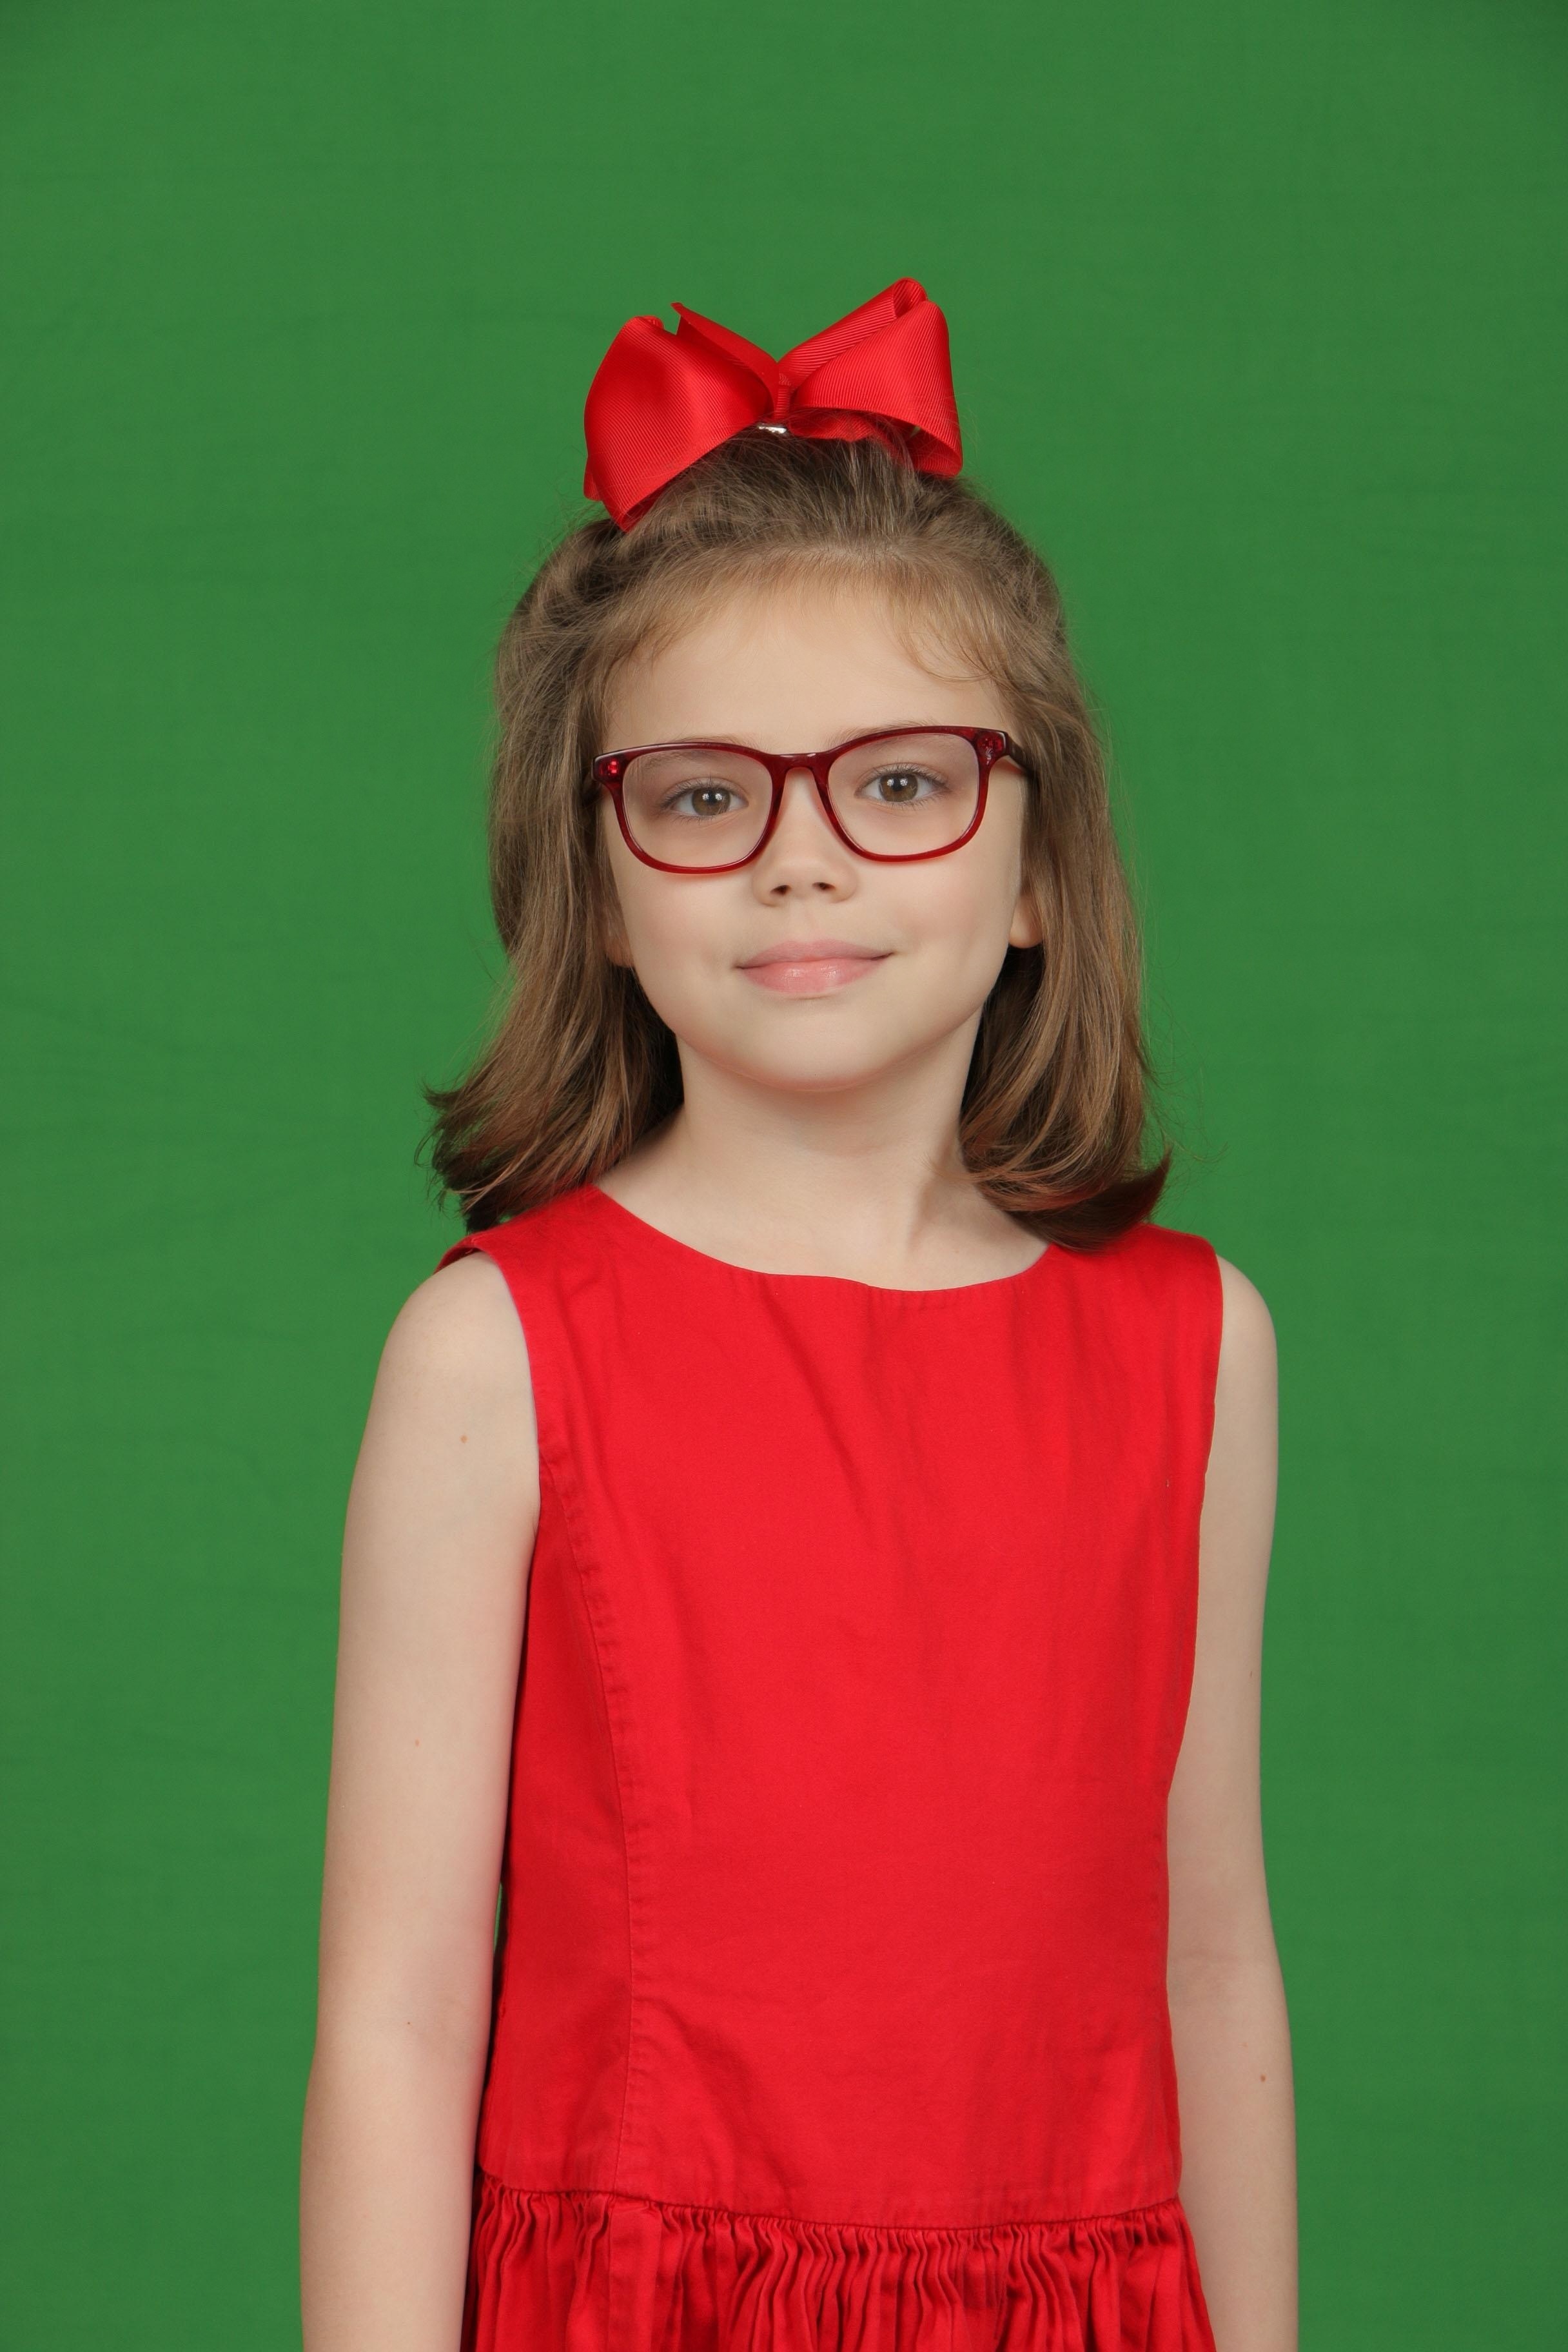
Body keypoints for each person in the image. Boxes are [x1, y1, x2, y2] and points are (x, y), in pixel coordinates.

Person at [299, 281, 1297, 2352]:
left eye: (902, 784)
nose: (801, 864)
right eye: (703, 797)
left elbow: (1210, 1960)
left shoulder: (1197, 1345)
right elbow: (396, 2018)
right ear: (602, 878)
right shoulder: (497, 1353)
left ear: (1039, 865)